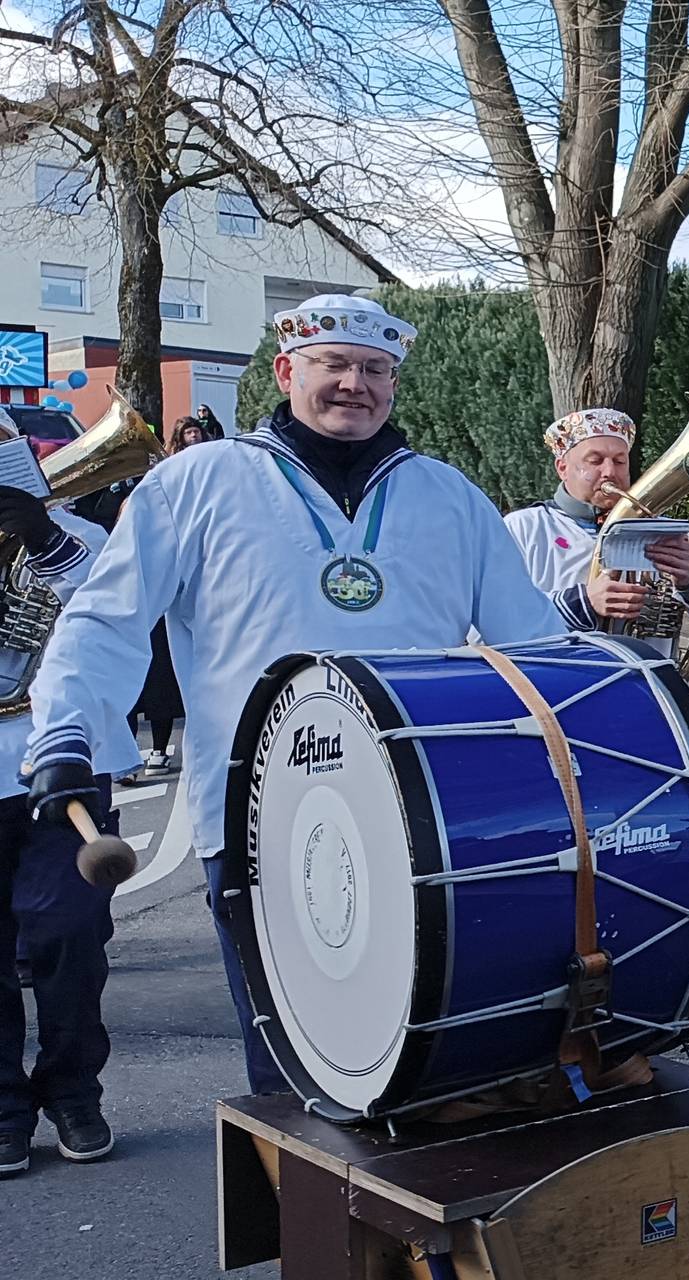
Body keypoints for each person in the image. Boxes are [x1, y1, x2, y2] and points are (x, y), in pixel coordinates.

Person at [20, 294, 568, 1097]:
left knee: (430, 1058)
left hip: (425, 816)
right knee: (297, 1077)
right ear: (285, 372)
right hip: (256, 817)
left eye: (375, 370)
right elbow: (106, 620)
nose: (356, 384)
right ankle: (297, 1222)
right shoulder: (196, 481)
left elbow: (530, 646)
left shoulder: (451, 497)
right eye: (334, 366)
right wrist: (66, 733)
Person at [0, 452, 132, 1177]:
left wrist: (46, 547)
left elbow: (117, 617)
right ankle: (3, 1110)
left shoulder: (81, 539)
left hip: (63, 764)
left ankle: (75, 1091)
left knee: (71, 935)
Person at [501, 407, 689, 652]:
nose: (610, 472)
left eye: (620, 461)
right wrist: (584, 603)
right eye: (595, 461)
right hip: (553, 685)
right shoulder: (525, 527)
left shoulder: (659, 530)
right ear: (562, 468)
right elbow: (491, 621)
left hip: (646, 682)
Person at [121, 414, 221, 782]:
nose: (193, 436)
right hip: (140, 600)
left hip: (167, 605)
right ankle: (128, 752)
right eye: (188, 432)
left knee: (160, 682)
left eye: (197, 430)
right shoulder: (131, 492)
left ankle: (159, 749)